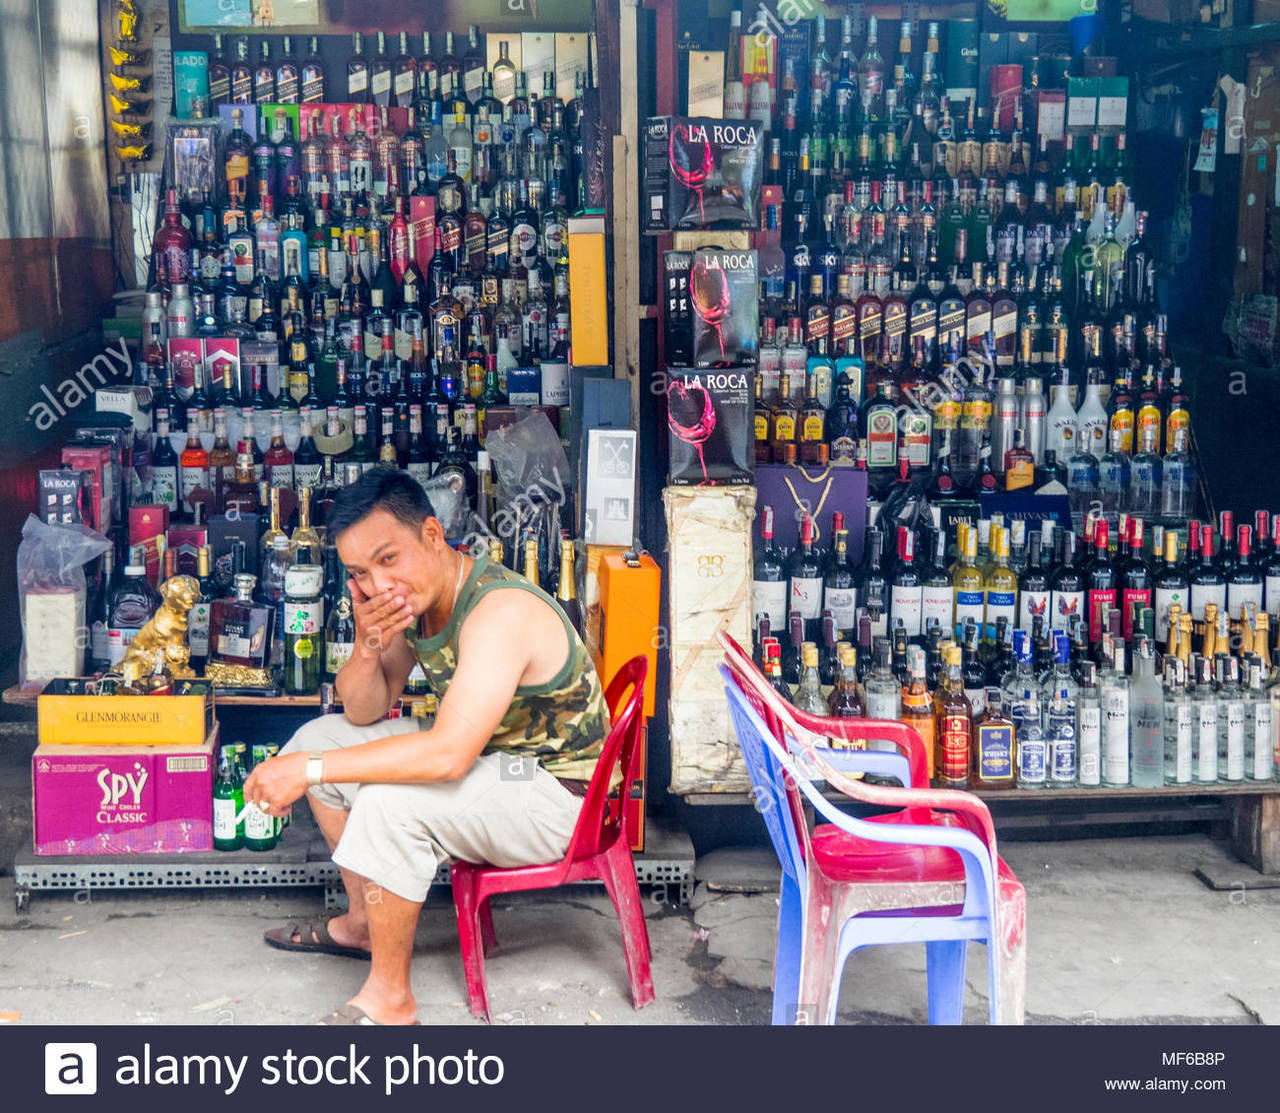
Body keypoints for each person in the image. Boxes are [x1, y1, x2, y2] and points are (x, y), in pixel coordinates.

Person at [245, 469, 610, 1025]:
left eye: (389, 559)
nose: (378, 584)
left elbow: (448, 755)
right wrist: (368, 643)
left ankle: (391, 1001)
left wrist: (310, 771)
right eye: (360, 572)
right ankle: (368, 923)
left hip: (555, 790)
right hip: (497, 762)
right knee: (315, 738)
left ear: (434, 536)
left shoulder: (497, 611)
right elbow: (362, 710)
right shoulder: (419, 604)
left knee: (388, 801)